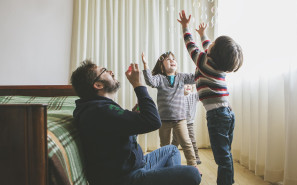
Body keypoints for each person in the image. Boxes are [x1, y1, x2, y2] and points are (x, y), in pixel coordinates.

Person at [70, 60, 201, 185]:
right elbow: (154, 121)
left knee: (172, 150)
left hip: (136, 165)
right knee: (193, 174)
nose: (111, 72)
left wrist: (134, 118)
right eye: (104, 71)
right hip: (127, 179)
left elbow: (119, 136)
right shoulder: (102, 111)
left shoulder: (96, 108)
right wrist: (138, 85)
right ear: (98, 85)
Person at [177, 10, 243, 185]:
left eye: (212, 44)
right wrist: (203, 34)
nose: (209, 44)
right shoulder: (216, 64)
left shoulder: (203, 61)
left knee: (222, 158)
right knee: (226, 154)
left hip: (218, 116)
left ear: (212, 53)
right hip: (227, 113)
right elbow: (208, 46)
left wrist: (185, 27)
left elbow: (190, 45)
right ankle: (229, 180)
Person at [141, 52, 198, 167]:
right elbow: (150, 81)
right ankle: (166, 167)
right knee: (165, 145)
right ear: (162, 65)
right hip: (164, 119)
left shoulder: (181, 77)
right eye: (168, 59)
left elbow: (195, 77)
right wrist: (145, 65)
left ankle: (194, 166)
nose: (172, 61)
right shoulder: (159, 78)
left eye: (173, 59)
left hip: (180, 118)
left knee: (186, 143)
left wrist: (200, 65)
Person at [171, 84, 201, 165]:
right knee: (175, 141)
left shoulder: (194, 96)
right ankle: (170, 156)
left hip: (189, 123)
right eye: (186, 85)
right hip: (178, 123)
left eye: (190, 85)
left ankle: (196, 156)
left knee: (192, 140)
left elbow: (201, 92)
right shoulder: (177, 96)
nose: (188, 86)